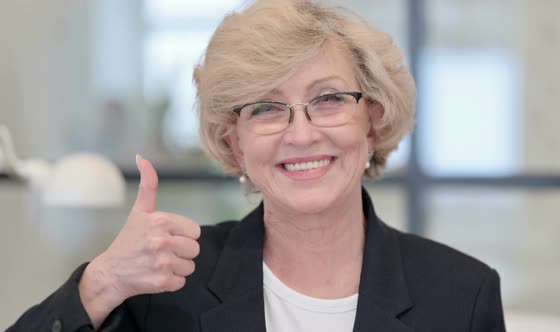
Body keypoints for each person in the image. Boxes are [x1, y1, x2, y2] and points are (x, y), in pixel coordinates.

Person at [9, 0, 506, 331]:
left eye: (329, 98)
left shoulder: (462, 294)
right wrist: (103, 283)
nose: (301, 133)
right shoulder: (167, 281)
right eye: (266, 108)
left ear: (371, 121)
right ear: (236, 142)